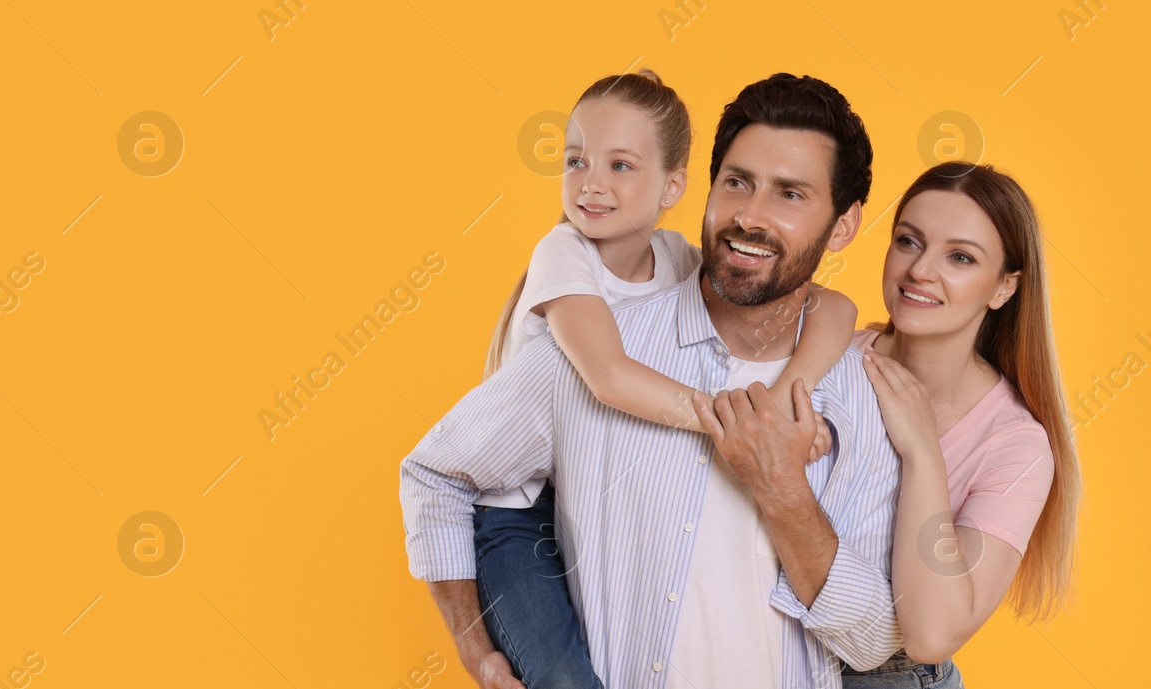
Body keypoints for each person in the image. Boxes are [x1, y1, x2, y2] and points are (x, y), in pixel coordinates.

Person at [401, 73, 900, 689]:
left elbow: (875, 641)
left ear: (845, 226)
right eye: (737, 183)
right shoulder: (584, 344)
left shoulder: (863, 396)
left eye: (790, 194)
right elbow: (437, 473)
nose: (748, 216)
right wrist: (477, 651)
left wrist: (784, 491)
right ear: (708, 188)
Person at [818, 162, 1078, 687]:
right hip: (769, 653)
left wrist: (922, 453)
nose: (920, 271)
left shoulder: (1016, 446)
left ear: (1004, 287)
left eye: (959, 257)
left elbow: (931, 635)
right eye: (909, 242)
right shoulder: (826, 355)